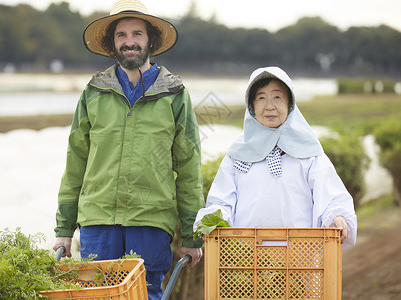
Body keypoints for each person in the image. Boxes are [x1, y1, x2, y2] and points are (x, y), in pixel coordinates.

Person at [52, 1, 204, 299]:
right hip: (98, 220)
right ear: (113, 43)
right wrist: (64, 228)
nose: (129, 41)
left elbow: (188, 167)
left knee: (145, 293)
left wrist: (191, 234)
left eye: (137, 33)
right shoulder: (94, 92)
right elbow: (76, 163)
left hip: (150, 219)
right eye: (121, 35)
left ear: (151, 41)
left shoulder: (175, 95)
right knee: (98, 294)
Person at [194, 66, 357, 249]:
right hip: (248, 260)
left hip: (300, 258)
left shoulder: (309, 154)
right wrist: (213, 220)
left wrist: (338, 217)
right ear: (252, 107)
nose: (269, 106)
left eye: (277, 97)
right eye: (261, 98)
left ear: (290, 104)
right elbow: (222, 201)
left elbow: (331, 197)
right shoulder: (237, 156)